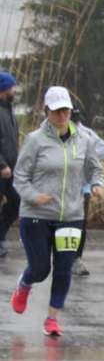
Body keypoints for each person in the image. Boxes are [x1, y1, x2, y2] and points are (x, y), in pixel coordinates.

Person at [9, 86, 104, 337]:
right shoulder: (34, 140)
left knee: (63, 268)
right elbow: (19, 177)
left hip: (71, 215)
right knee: (41, 269)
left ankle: (52, 318)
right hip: (36, 215)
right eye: (57, 111)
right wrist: (33, 196)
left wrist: (97, 185)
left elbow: (96, 168)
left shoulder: (84, 139)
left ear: (71, 110)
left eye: (66, 110)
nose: (62, 116)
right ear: (47, 111)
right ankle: (25, 284)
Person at [69, 109, 104, 277]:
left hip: (83, 187)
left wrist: (86, 156)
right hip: (61, 187)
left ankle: (76, 258)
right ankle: (63, 256)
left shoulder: (87, 134)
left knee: (80, 223)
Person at [0, 71, 22, 259]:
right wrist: (1, 165)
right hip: (2, 168)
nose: (14, 90)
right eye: (11, 87)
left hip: (12, 169)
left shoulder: (8, 109)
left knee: (16, 201)